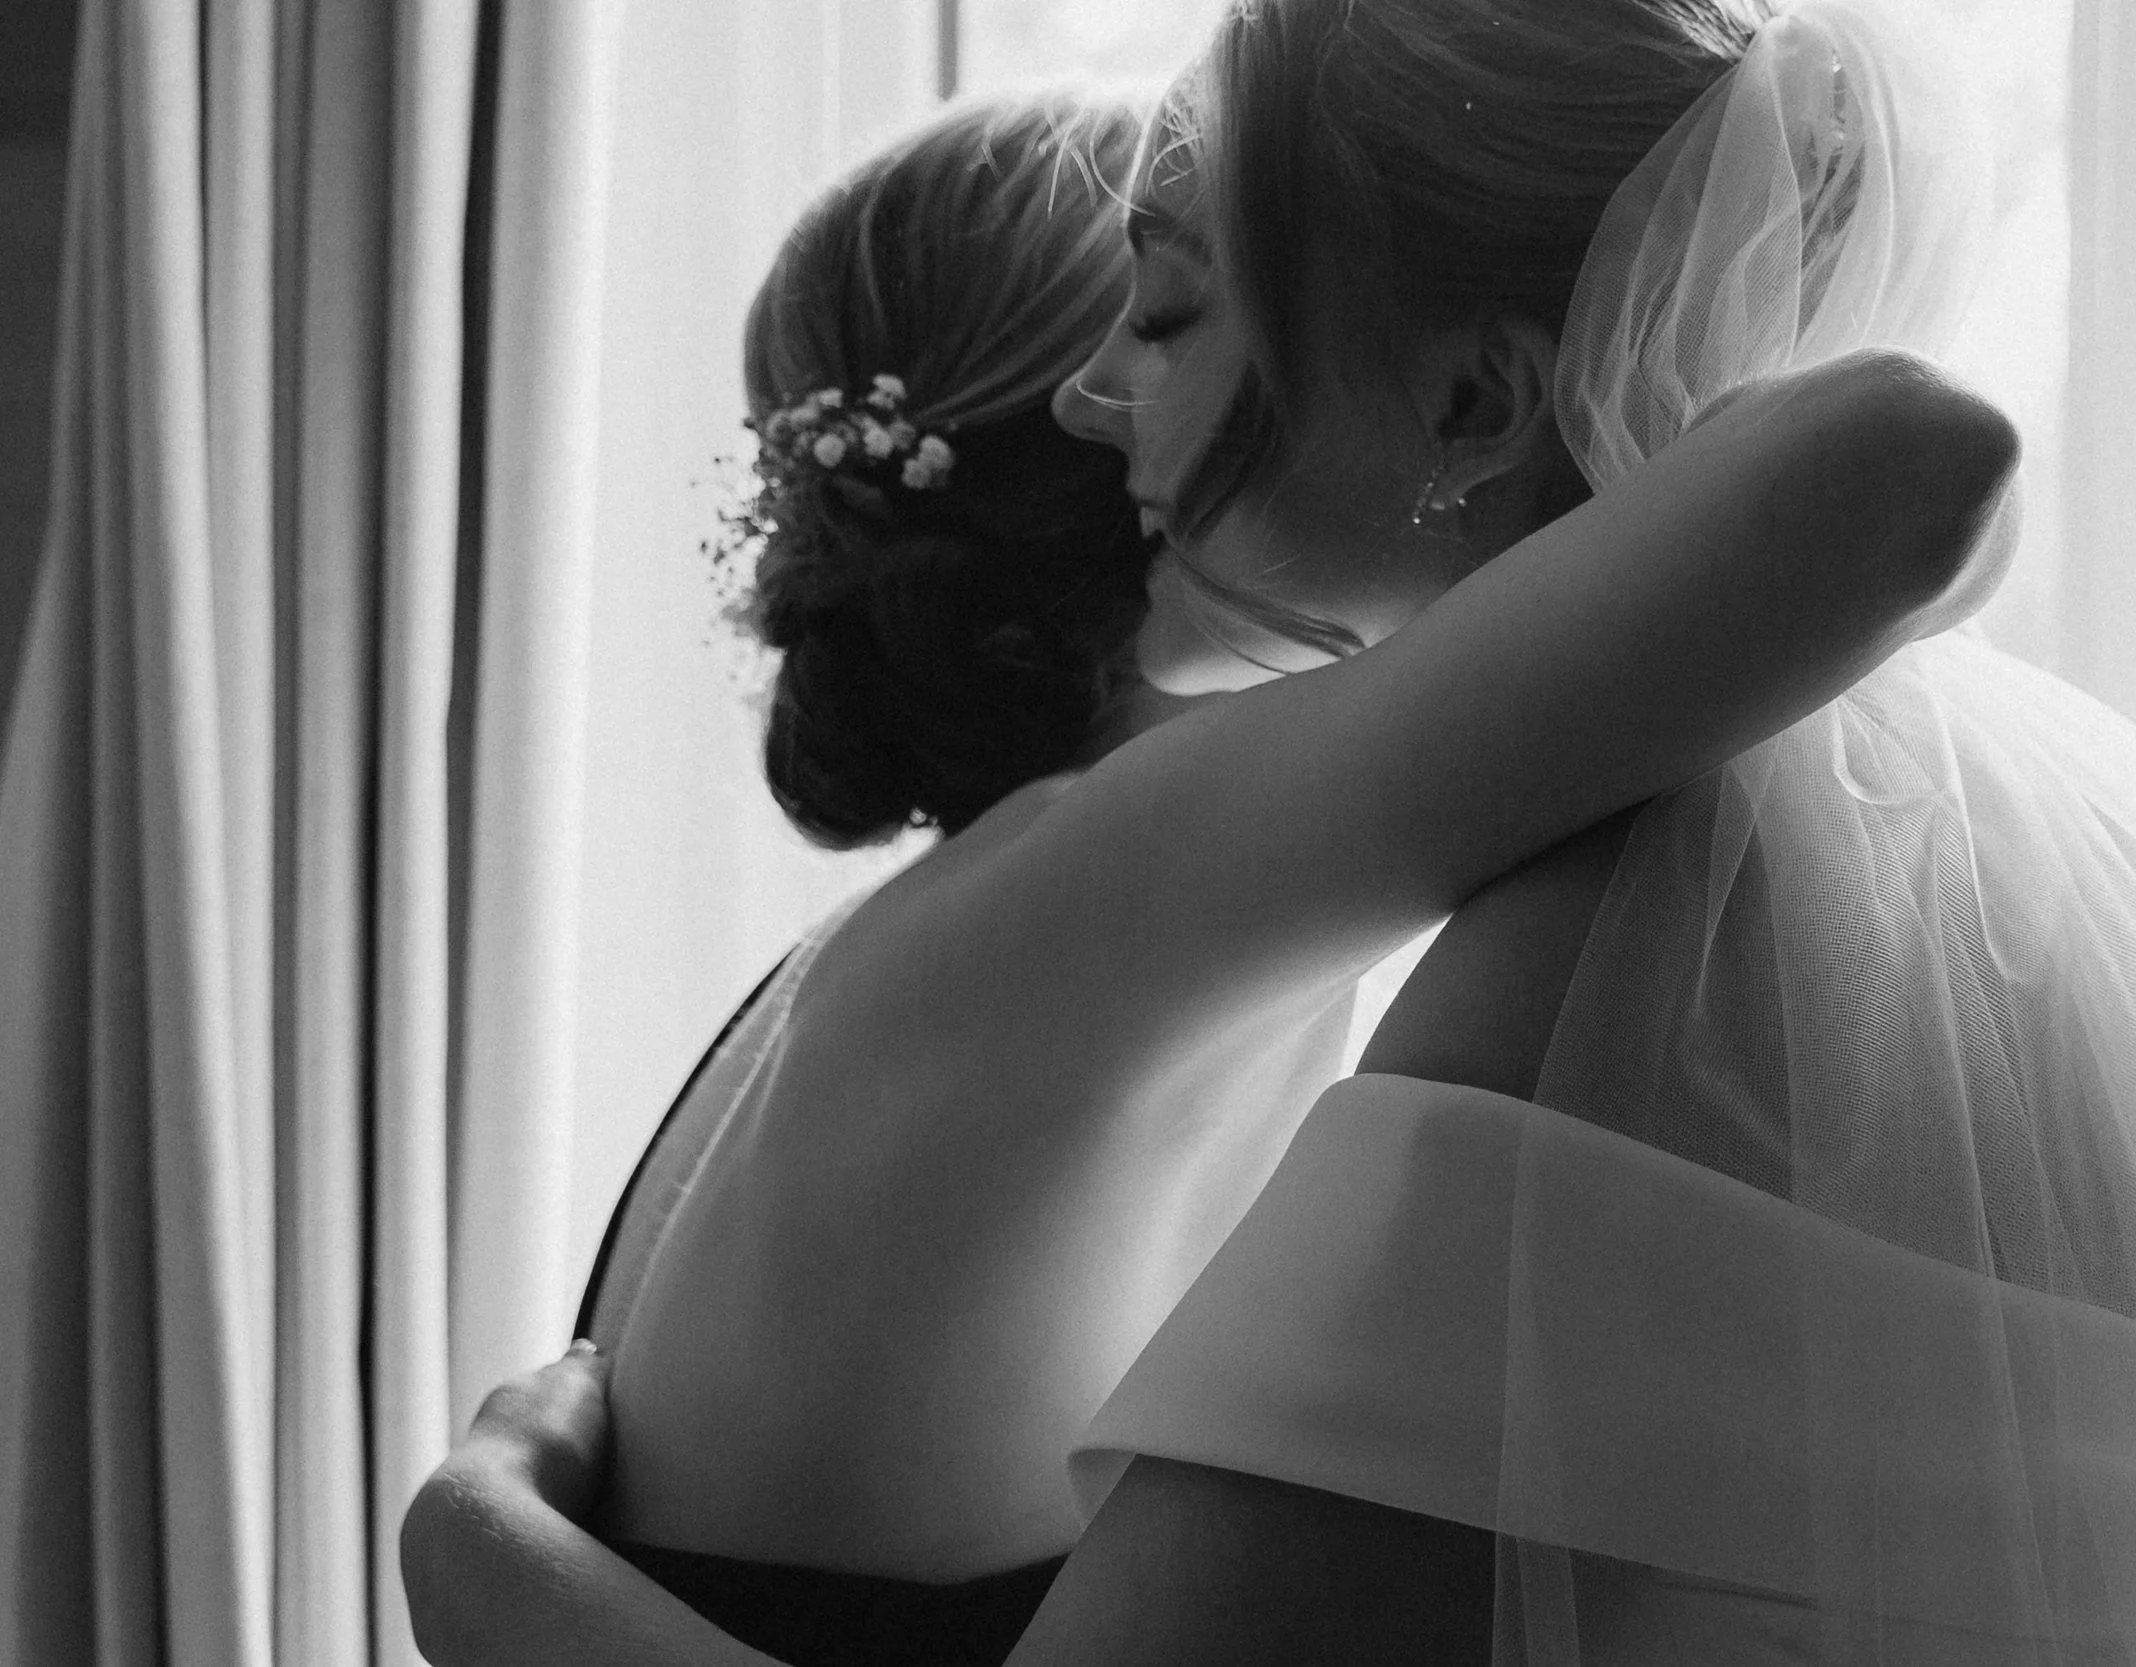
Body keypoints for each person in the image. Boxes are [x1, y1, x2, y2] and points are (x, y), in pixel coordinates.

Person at [402, 31, 2015, 1667]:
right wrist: (470, 1556)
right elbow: (1910, 468)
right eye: (1165, 307)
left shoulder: (1012, 929)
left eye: (1177, 306)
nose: (1124, 378)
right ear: (1089, 449)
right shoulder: (1108, 889)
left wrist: (481, 1539)